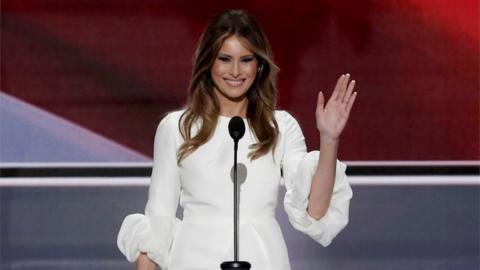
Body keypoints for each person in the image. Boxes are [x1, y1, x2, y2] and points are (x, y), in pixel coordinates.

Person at [117, 9, 356, 270]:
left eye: (245, 59)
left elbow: (316, 211)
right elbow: (159, 220)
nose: (235, 71)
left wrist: (329, 139)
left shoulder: (280, 127)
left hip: (263, 259)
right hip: (194, 260)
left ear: (259, 65)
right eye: (225, 59)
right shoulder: (177, 128)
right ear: (209, 63)